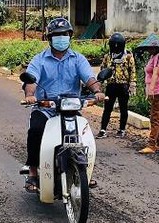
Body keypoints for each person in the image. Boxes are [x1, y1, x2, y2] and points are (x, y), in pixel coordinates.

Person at [22, 17, 105, 193]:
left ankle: (84, 173)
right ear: (49, 38)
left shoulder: (78, 59)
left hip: (71, 109)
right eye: (57, 35)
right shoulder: (39, 60)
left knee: (84, 135)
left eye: (65, 34)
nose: (61, 38)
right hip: (46, 108)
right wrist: (30, 95)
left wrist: (97, 91)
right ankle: (33, 171)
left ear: (70, 36)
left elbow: (89, 78)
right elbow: (31, 80)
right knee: (35, 130)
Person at [97, 33, 136, 139]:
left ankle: (122, 129)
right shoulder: (108, 57)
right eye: (114, 44)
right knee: (107, 108)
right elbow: (102, 70)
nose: (116, 47)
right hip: (111, 85)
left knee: (123, 108)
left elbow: (132, 71)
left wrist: (132, 84)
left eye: (117, 44)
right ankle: (103, 129)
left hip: (124, 86)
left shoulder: (128, 57)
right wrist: (100, 82)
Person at [137, 34, 159, 154]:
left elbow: (156, 74)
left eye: (150, 48)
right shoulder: (155, 56)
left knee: (155, 117)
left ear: (156, 47)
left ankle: (151, 145)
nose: (148, 50)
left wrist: (151, 90)